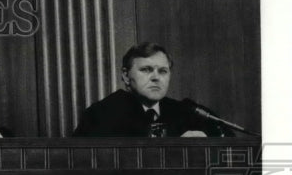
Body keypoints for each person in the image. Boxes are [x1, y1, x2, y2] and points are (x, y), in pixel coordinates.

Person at [72, 42, 231, 137]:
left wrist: (207, 140)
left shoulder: (185, 111)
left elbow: (228, 139)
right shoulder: (102, 113)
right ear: (126, 76)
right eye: (146, 70)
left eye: (163, 71)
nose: (156, 77)